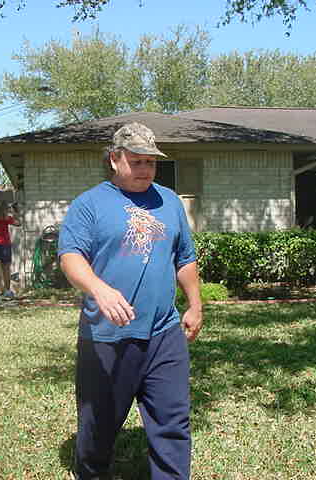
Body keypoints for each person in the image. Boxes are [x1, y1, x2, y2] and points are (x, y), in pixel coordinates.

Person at [58, 122, 203, 480]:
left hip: (164, 333)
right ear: (114, 159)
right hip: (107, 336)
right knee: (98, 424)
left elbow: (184, 257)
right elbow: (70, 257)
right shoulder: (89, 204)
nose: (145, 169)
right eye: (136, 161)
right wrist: (99, 289)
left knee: (173, 421)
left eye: (150, 162)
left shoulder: (169, 201)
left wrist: (195, 304)